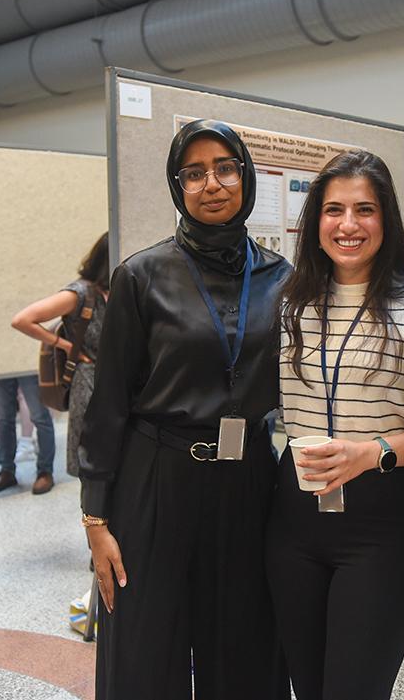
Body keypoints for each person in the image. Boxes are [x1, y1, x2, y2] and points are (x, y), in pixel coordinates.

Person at [79, 119, 290, 699]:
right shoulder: (141, 276)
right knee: (146, 649)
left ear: (246, 176)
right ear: (178, 186)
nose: (211, 184)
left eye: (225, 168)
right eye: (192, 173)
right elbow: (109, 403)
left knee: (245, 646)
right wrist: (96, 518)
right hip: (156, 479)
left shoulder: (283, 279)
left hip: (248, 480)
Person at [266, 150, 404, 700]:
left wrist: (371, 453)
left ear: (386, 220)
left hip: (380, 526)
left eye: (364, 210)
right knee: (310, 688)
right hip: (292, 522)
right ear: (314, 221)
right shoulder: (287, 302)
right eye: (334, 210)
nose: (348, 225)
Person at [10, 231, 110, 477]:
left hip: (117, 380)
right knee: (91, 459)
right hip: (88, 382)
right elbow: (23, 320)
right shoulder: (80, 293)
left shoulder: (121, 289)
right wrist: (65, 345)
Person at [0, 374, 57, 494]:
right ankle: (6, 470)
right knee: (4, 418)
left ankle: (45, 472)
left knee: (40, 416)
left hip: (26, 360)